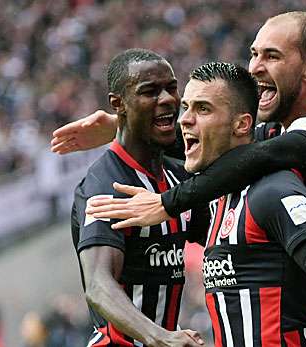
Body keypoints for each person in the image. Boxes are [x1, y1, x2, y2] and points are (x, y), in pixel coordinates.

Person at [55, 11, 306, 346]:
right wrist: (127, 126)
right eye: (254, 53)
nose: (255, 66)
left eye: (271, 56)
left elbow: (248, 153)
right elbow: (222, 145)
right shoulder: (258, 151)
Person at [188, 61, 306, 346]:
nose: (186, 119)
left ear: (242, 124)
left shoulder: (272, 190)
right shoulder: (219, 198)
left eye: (202, 109)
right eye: (186, 107)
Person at [71, 48, 207, 347]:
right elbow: (98, 284)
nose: (168, 99)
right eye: (150, 91)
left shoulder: (178, 177)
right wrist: (160, 337)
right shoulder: (104, 184)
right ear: (118, 104)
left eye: (171, 88)